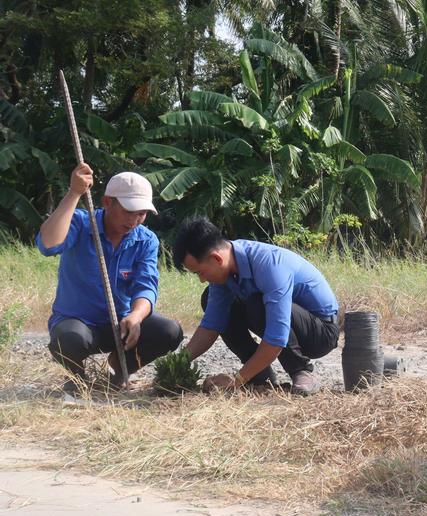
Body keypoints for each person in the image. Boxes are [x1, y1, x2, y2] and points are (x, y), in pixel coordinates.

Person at [38, 163, 183, 396]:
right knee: (70, 338)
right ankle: (77, 378)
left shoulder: (146, 240)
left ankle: (118, 372)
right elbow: (48, 244)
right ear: (107, 202)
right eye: (129, 211)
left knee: (170, 331)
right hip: (78, 323)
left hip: (120, 326)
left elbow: (146, 286)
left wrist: (135, 317)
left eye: (142, 213)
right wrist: (74, 192)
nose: (135, 220)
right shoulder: (81, 223)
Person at [172, 218, 340, 396]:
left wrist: (235, 381)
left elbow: (276, 337)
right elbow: (211, 325)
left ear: (216, 258)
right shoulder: (224, 271)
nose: (202, 279)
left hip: (320, 333)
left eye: (200, 272)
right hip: (283, 324)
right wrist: (177, 364)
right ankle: (260, 374)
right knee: (210, 298)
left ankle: (301, 371)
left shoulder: (269, 265)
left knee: (257, 303)